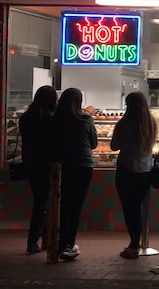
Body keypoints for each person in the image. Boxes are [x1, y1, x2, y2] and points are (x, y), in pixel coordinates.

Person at [51, 87, 98, 261]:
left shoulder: (55, 119)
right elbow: (93, 144)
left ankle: (60, 242)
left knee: (63, 205)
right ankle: (69, 244)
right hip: (83, 166)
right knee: (76, 206)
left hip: (62, 166)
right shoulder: (86, 119)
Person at [110, 91, 158, 259]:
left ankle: (133, 244)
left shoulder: (124, 124)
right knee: (138, 208)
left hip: (126, 171)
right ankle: (136, 242)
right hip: (145, 171)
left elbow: (114, 146)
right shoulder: (152, 123)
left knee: (129, 210)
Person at [19, 86, 57, 254]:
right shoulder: (49, 119)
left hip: (30, 163)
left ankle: (41, 240)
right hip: (47, 165)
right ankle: (36, 241)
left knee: (41, 201)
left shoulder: (26, 118)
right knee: (44, 203)